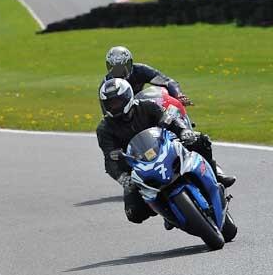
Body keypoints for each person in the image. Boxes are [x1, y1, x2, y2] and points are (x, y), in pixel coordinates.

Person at [96, 78, 235, 227]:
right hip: (138, 168)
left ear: (127, 97)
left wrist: (183, 131)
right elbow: (109, 158)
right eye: (110, 104)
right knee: (134, 213)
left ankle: (216, 176)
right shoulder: (104, 129)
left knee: (201, 140)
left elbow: (169, 119)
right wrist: (121, 177)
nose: (114, 106)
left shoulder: (147, 107)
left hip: (166, 149)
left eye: (117, 102)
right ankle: (168, 213)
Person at [102, 46, 192, 107]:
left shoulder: (140, 70)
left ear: (129, 63)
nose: (119, 72)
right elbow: (107, 112)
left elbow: (167, 82)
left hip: (142, 107)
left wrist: (178, 95)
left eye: (122, 68)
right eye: (115, 68)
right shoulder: (106, 84)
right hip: (123, 115)